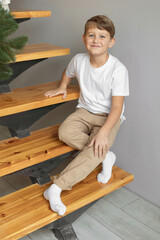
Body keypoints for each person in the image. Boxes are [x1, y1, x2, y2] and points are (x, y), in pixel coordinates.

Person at [43, 15, 129, 216]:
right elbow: (68, 72)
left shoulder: (118, 69)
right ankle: (105, 156)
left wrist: (102, 134)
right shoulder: (79, 60)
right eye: (91, 35)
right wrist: (62, 87)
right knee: (64, 132)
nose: (96, 40)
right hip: (84, 111)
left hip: (108, 117)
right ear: (84, 38)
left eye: (102, 36)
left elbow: (117, 107)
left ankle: (55, 188)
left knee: (96, 145)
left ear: (111, 42)